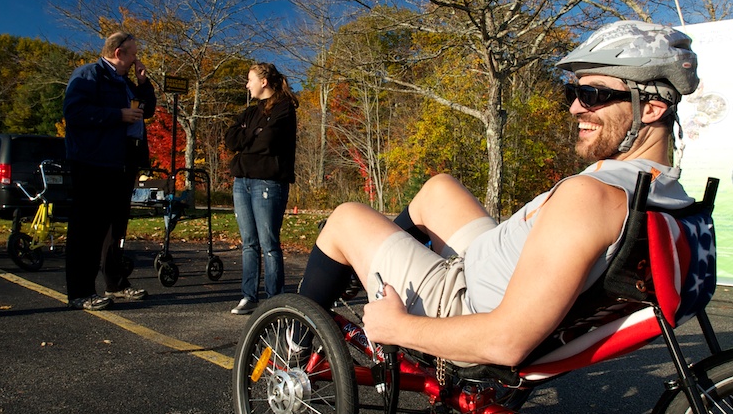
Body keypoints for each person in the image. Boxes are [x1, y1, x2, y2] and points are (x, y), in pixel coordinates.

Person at [297, 20, 699, 367]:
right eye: (573, 94)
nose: (575, 108)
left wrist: (396, 326)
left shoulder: (591, 197)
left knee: (346, 218)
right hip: (488, 270)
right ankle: (367, 269)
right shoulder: (663, 188)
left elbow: (505, 341)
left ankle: (290, 346)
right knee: (439, 188)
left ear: (651, 108)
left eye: (595, 95)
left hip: (462, 307)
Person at [63, 31, 156, 311]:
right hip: (93, 161)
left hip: (122, 161)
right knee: (87, 227)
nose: (136, 59)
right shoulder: (89, 75)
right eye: (133, 54)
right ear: (119, 53)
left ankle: (115, 282)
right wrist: (118, 115)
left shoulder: (125, 82)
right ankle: (80, 291)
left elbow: (147, 110)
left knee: (115, 227)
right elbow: (75, 113)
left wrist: (143, 83)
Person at [224, 63, 299, 315]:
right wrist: (252, 134)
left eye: (250, 80)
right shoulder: (250, 112)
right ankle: (249, 296)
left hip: (268, 182)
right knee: (249, 243)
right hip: (242, 181)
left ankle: (274, 300)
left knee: (269, 243)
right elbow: (230, 140)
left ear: (263, 81)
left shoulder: (284, 108)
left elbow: (268, 141)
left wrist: (249, 138)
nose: (247, 85)